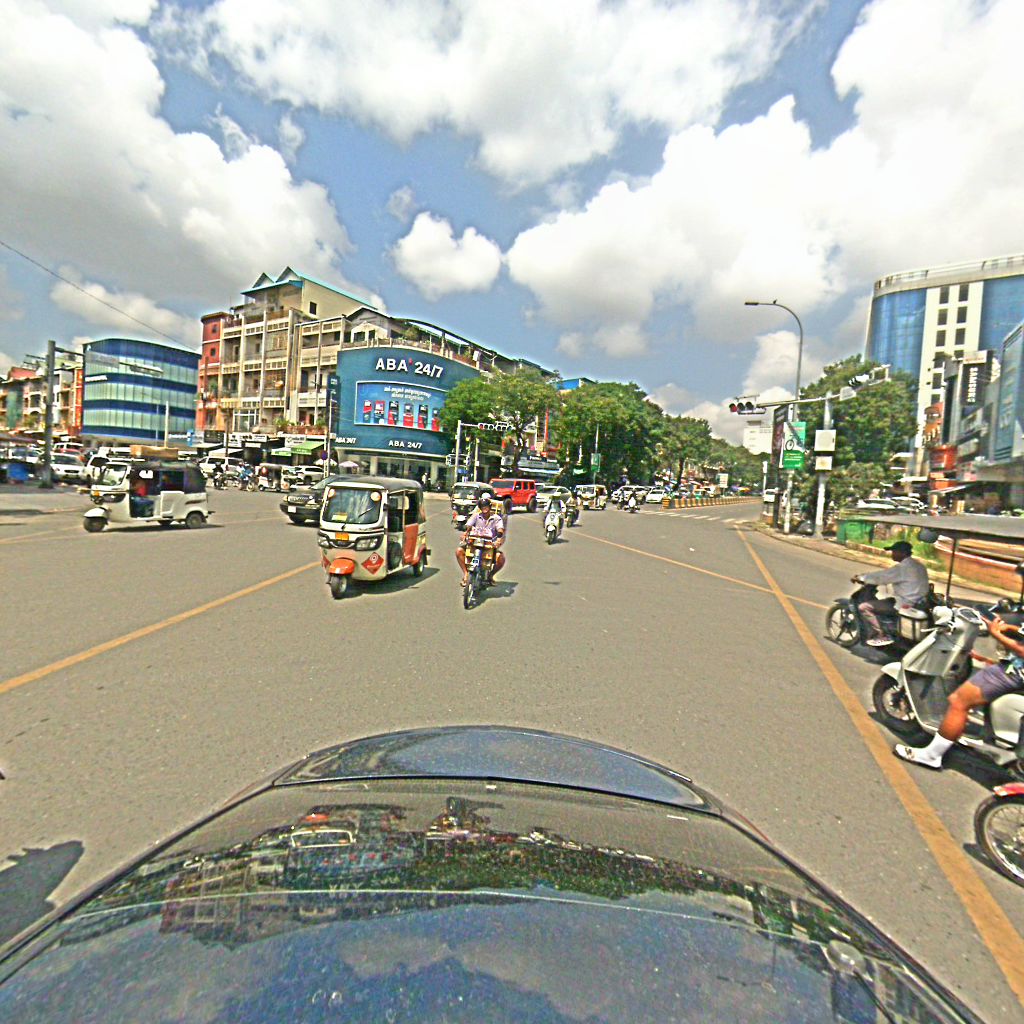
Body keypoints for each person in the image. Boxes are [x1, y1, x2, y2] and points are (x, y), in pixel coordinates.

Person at [895, 613, 1024, 769]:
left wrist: (996, 634)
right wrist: (1010, 628)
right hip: (1015, 669)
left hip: (1014, 672)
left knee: (959, 701)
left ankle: (931, 756)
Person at [854, 540, 929, 647]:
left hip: (904, 603)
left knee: (863, 607)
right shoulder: (919, 566)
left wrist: (861, 577)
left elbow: (881, 577)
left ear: (903, 553)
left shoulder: (902, 568)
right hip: (918, 602)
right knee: (887, 600)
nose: (892, 554)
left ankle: (881, 635)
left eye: (894, 552)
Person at [456, 495, 505, 586]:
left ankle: (490, 576)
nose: (484, 508)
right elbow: (469, 526)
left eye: (486, 506)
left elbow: (500, 529)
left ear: (490, 507)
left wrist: (499, 537)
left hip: (489, 544)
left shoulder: (496, 518)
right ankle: (466, 574)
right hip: (474, 543)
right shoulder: (476, 516)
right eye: (482, 507)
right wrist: (465, 533)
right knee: (459, 551)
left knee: (500, 558)